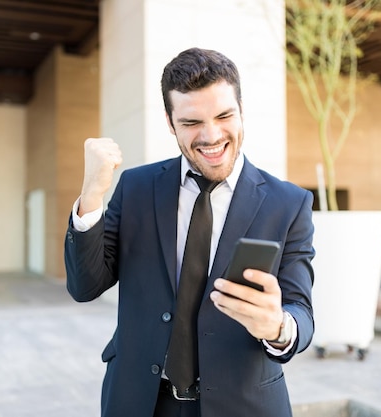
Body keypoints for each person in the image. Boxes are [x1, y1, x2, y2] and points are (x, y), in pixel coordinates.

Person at [64, 47, 315, 417]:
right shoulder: (136, 187)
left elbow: (301, 311)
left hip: (243, 406)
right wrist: (91, 195)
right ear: (170, 122)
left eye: (224, 115)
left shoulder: (289, 203)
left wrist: (278, 326)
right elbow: (85, 287)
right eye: (192, 122)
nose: (211, 135)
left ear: (241, 110)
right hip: (139, 402)